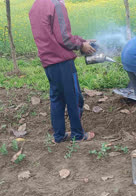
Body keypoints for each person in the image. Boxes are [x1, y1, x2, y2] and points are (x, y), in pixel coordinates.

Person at [29, 0, 95, 143]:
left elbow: (51, 34)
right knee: (74, 99)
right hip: (62, 61)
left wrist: (82, 40)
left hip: (48, 62)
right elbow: (64, 38)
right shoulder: (56, 5)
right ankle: (78, 135)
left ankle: (59, 136)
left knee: (57, 98)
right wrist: (80, 45)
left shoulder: (35, 6)